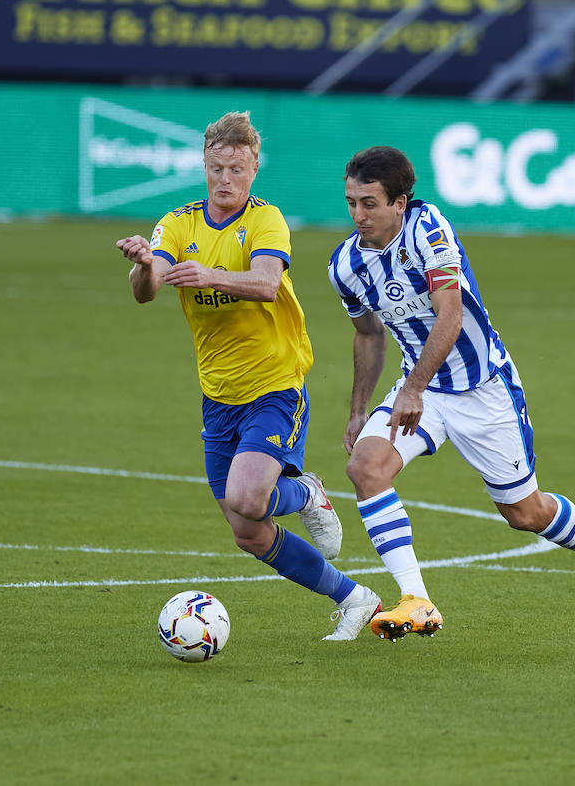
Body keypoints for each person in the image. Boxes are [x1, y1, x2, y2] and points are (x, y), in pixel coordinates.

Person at [329, 145, 575, 641]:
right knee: (366, 468)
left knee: (525, 514)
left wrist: (412, 389)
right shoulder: (345, 266)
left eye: (369, 203)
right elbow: (367, 334)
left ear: (400, 203)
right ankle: (416, 599)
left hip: (482, 389)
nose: (357, 215)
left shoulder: (429, 231)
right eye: (351, 203)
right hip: (420, 391)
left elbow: (450, 316)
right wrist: (360, 409)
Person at [116, 111, 380, 642]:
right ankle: (354, 598)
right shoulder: (179, 223)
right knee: (247, 531)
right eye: (216, 168)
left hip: (275, 383)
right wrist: (146, 263)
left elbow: (264, 284)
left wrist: (207, 274)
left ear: (254, 168)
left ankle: (304, 493)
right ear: (204, 166)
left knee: (248, 497)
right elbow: (148, 290)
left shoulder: (266, 220)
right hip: (218, 393)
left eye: (237, 168)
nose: (225, 180)